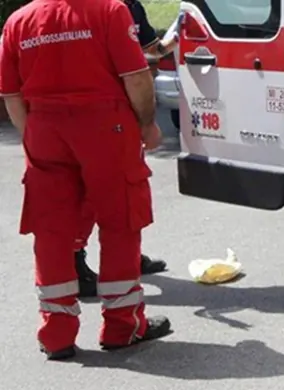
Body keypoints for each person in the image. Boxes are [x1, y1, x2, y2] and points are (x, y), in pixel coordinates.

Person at [0, 0, 172, 360]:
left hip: (45, 128)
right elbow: (136, 76)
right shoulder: (109, 11)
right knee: (120, 221)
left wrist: (33, 134)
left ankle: (56, 333)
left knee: (51, 230)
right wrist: (147, 124)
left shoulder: (19, 20)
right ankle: (122, 326)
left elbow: (11, 94)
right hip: (106, 126)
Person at [75, 0, 179, 299]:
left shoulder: (132, 6)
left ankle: (129, 256)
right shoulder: (93, 9)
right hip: (97, 110)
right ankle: (75, 262)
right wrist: (148, 123)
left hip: (123, 112)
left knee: (126, 194)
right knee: (88, 194)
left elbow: (152, 49)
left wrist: (175, 39)